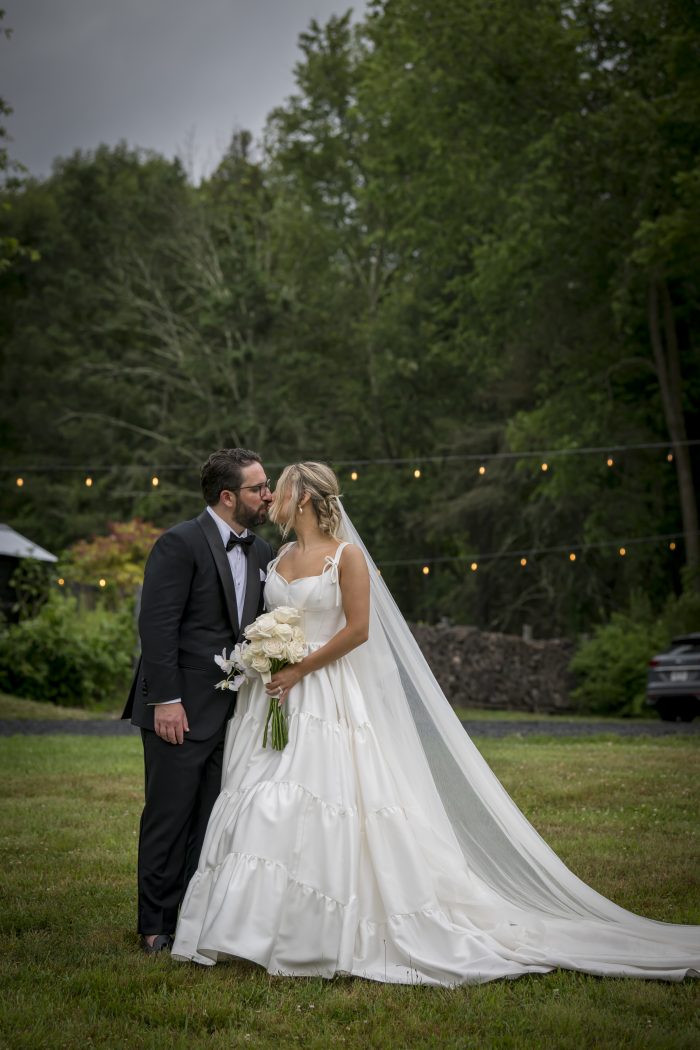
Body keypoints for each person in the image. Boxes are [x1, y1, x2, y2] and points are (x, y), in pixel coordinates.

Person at [171, 461, 699, 983]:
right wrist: (271, 659)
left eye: (280, 491)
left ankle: (320, 933)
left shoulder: (347, 557)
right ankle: (254, 930)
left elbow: (357, 631)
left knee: (319, 804)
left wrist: (301, 666)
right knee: (264, 803)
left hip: (327, 695)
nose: (271, 499)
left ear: (304, 498)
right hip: (275, 698)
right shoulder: (280, 554)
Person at [123, 448, 274, 954]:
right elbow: (157, 626)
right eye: (259, 488)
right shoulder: (180, 543)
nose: (268, 495)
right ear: (229, 496)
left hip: (232, 711)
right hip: (178, 709)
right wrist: (166, 700)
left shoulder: (261, 552)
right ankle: (153, 927)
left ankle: (190, 915)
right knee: (169, 816)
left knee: (209, 819)